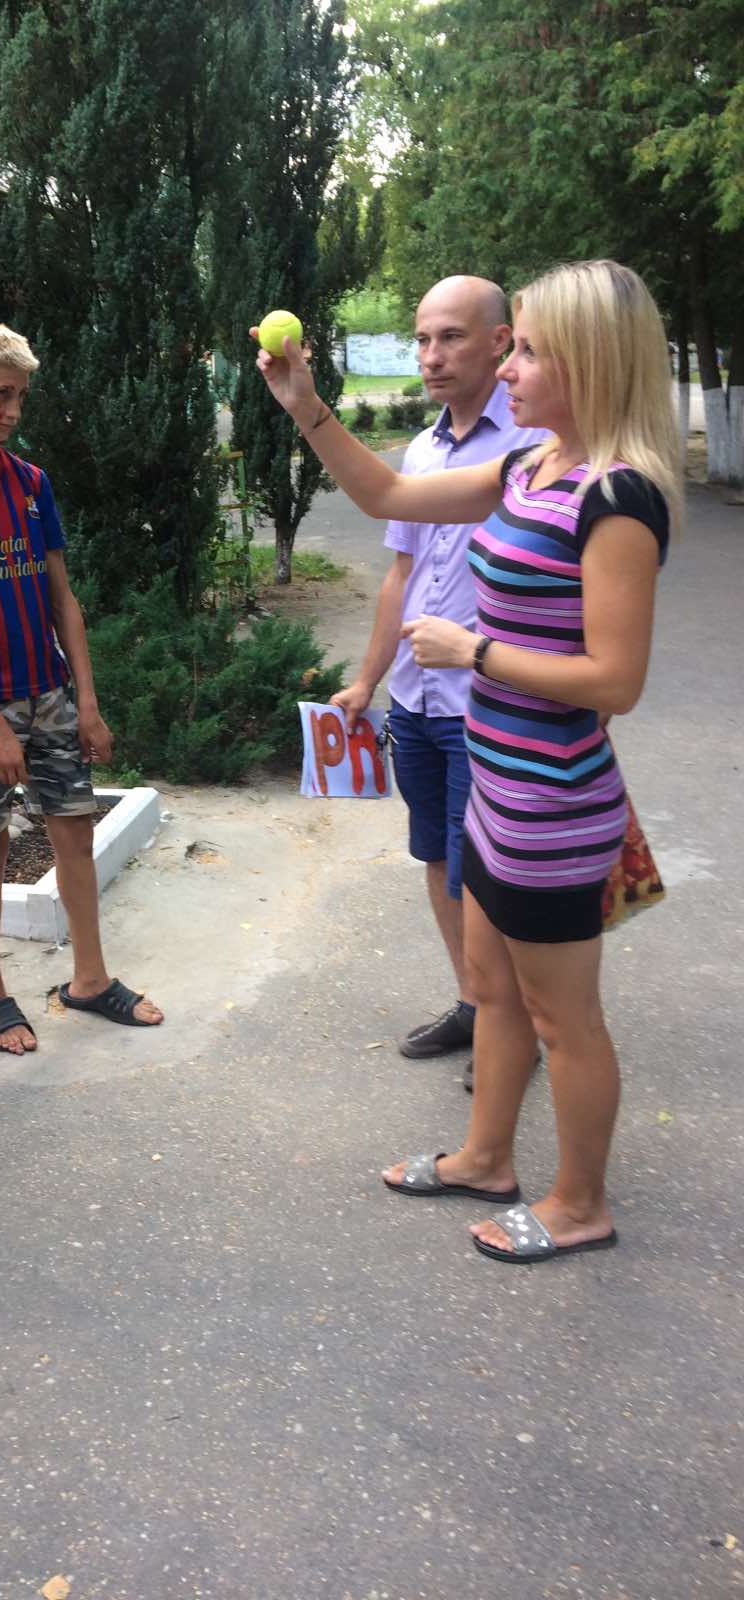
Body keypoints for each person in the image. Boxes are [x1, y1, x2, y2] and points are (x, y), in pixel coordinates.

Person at [256, 259, 679, 1264]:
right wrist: (306, 406)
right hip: (495, 783)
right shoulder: (530, 467)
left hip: (551, 805)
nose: (510, 367)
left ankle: (580, 1203)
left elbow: (616, 679)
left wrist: (473, 651)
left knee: (563, 1018)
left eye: (529, 351)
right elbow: (390, 492)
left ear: (588, 361)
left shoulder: (617, 496)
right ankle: (487, 1157)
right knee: (491, 985)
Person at [0, 322, 163, 1053]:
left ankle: (90, 980)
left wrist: (87, 703)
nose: (12, 411)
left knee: (75, 832)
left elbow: (61, 599)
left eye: (19, 396)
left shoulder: (32, 484)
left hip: (48, 695)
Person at [332, 277, 545, 1084]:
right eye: (422, 339)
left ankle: (512, 1027)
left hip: (488, 704)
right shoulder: (422, 451)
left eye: (451, 337)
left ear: (500, 342)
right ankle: (475, 1005)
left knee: (482, 878)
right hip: (416, 702)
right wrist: (367, 680)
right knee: (435, 857)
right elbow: (403, 577)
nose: (431, 356)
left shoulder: (530, 448)